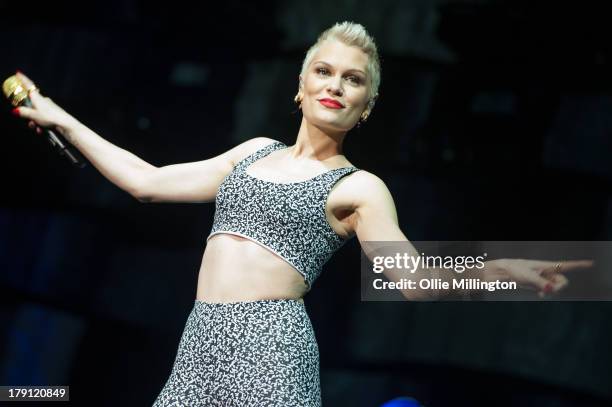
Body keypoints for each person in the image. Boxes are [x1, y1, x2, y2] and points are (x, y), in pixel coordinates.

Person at [12, 21, 592, 407]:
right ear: (301, 83)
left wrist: (507, 269)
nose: (336, 85)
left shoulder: (360, 188)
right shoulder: (252, 152)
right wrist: (60, 117)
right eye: (325, 71)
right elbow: (149, 182)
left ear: (366, 106)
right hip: (198, 344)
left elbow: (413, 281)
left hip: (271, 349)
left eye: (354, 79)